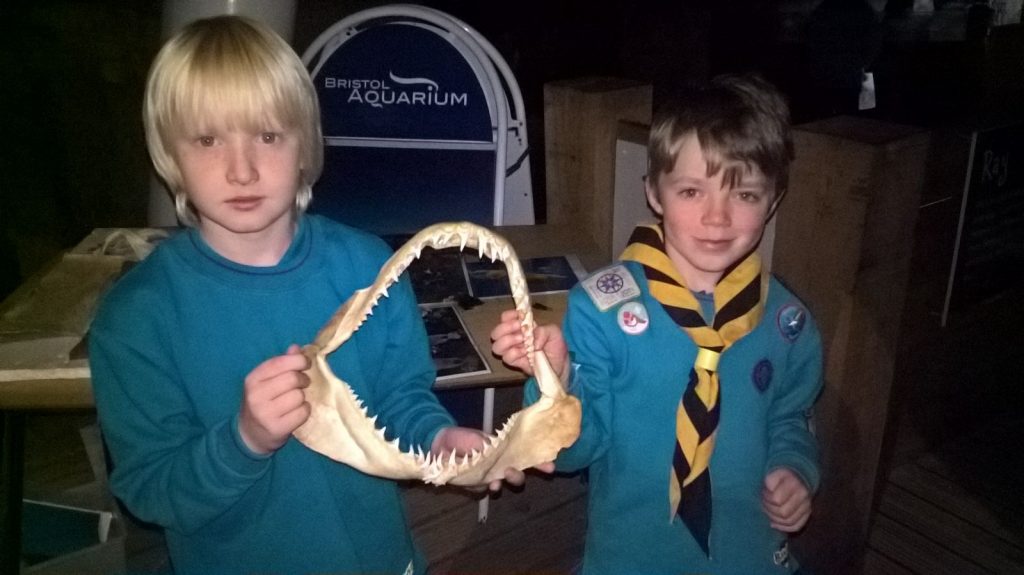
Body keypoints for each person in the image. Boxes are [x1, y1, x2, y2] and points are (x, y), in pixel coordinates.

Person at [89, 16, 528, 575]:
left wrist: (441, 441)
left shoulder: (371, 267)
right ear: (170, 156)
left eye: (268, 136)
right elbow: (151, 491)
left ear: (305, 146)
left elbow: (399, 399)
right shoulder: (136, 317)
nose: (241, 169)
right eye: (206, 140)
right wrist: (243, 438)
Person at [492, 74, 823, 574]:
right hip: (633, 557)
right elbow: (570, 455)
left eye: (746, 195)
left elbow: (790, 417)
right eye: (691, 191)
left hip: (747, 555)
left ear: (773, 201)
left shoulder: (786, 322)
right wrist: (554, 382)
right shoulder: (599, 311)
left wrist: (795, 469)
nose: (717, 218)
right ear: (654, 193)